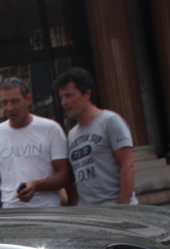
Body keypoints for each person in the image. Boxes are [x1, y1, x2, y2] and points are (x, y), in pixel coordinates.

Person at [0, 77, 72, 208]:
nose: (9, 108)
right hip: (11, 213)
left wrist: (36, 186)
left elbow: (66, 175)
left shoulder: (50, 129)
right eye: (4, 103)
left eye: (15, 101)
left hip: (47, 210)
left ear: (28, 99)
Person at [55, 67, 137, 205]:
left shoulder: (110, 121)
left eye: (69, 95)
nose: (64, 102)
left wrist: (122, 210)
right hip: (89, 215)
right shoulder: (71, 134)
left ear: (87, 94)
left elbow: (128, 166)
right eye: (62, 97)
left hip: (114, 210)